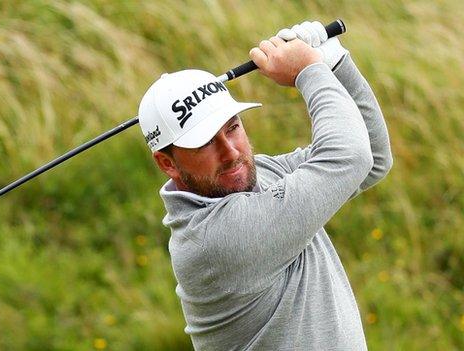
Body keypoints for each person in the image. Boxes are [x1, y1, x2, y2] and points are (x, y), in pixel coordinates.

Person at [137, 21, 393, 350]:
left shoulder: (261, 175)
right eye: (205, 144)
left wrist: (334, 59)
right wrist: (310, 70)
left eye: (232, 128)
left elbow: (371, 156)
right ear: (167, 163)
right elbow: (349, 157)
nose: (230, 152)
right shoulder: (216, 241)